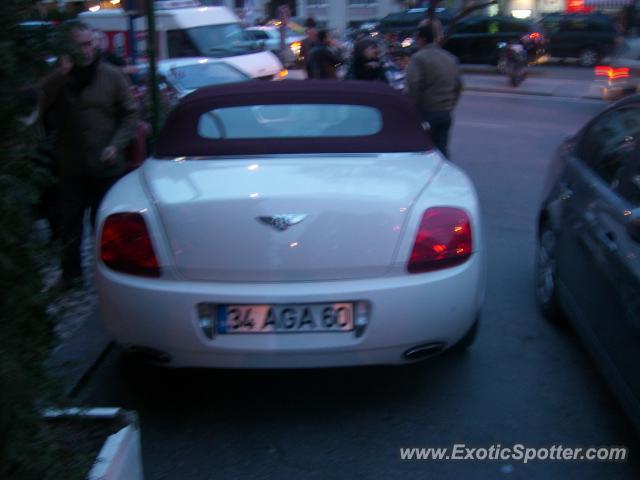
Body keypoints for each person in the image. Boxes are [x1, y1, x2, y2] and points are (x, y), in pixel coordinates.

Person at [40, 20, 138, 289]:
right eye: (77, 45)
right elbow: (38, 103)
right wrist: (59, 76)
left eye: (87, 44)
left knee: (105, 227)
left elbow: (130, 113)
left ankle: (109, 278)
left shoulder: (111, 75)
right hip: (71, 165)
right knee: (69, 225)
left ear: (94, 43)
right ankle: (70, 275)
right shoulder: (59, 77)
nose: (84, 51)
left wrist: (116, 144)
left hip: (106, 166)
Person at [404, 21, 462, 158]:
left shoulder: (419, 58)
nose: (416, 42)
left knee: (423, 152)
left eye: (416, 38)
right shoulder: (450, 58)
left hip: (427, 112)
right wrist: (449, 106)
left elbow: (413, 85)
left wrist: (411, 108)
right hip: (445, 112)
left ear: (422, 39)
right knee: (442, 151)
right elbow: (458, 86)